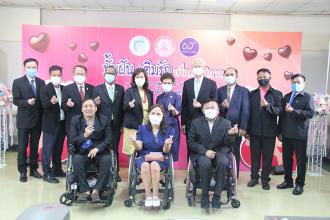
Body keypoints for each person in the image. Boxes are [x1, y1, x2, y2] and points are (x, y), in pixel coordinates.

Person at [187, 100, 238, 209]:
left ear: (218, 111)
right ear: (203, 110)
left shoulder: (226, 123)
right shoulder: (195, 122)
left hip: (220, 152)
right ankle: (205, 196)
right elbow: (191, 141)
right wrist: (205, 151)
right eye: (207, 108)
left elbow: (228, 144)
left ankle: (217, 196)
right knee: (205, 163)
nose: (210, 110)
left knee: (223, 161)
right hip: (202, 153)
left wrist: (230, 135)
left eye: (213, 108)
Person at [277, 74, 315, 195]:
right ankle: (288, 181)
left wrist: (294, 111)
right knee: (286, 160)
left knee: (300, 161)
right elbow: (282, 115)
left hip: (300, 135)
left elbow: (310, 113)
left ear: (303, 83)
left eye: (298, 82)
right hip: (286, 134)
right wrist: (279, 131)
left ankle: (299, 184)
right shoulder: (287, 96)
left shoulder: (308, 97)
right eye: (293, 82)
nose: (295, 84)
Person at [130, 104, 174, 208]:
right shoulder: (142, 128)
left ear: (163, 116)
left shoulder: (169, 130)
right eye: (153, 113)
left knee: (154, 165)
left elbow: (165, 150)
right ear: (149, 115)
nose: (155, 115)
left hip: (161, 157)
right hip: (144, 156)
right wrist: (134, 142)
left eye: (158, 113)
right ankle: (148, 196)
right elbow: (139, 147)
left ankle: (156, 195)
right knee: (145, 165)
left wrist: (167, 143)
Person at [70, 99, 112, 203]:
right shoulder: (76, 120)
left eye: (91, 106)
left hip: (99, 152)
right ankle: (85, 191)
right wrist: (84, 135)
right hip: (82, 152)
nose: (88, 108)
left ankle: (96, 191)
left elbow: (109, 138)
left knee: (107, 159)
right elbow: (73, 140)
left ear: (96, 108)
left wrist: (98, 148)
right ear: (82, 109)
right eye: (86, 106)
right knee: (76, 159)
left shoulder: (104, 119)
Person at [247, 68, 283, 190]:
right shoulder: (252, 94)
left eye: (265, 77)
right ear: (257, 78)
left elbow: (279, 111)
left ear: (270, 77)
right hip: (254, 131)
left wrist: (267, 106)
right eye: (260, 77)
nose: (262, 79)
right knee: (254, 156)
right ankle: (254, 178)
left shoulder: (277, 94)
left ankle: (265, 179)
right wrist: (247, 130)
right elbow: (248, 113)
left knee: (267, 157)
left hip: (270, 132)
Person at [12, 58, 45, 182]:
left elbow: (43, 99)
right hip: (24, 121)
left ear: (37, 68)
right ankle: (22, 171)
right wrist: (26, 102)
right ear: (25, 68)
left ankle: (34, 169)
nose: (32, 69)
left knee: (35, 146)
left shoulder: (41, 82)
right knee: (22, 147)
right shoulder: (18, 82)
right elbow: (16, 100)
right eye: (29, 67)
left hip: (37, 120)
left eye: (34, 67)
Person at [217, 67, 250, 178]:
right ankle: (222, 175)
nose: (229, 76)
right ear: (224, 76)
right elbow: (216, 108)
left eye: (232, 74)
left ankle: (234, 177)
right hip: (222, 127)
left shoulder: (243, 91)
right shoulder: (220, 90)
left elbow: (246, 110)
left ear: (236, 76)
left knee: (235, 152)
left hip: (237, 126)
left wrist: (243, 127)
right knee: (222, 151)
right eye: (227, 74)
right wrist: (222, 105)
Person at [94, 65, 125, 182]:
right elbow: (92, 107)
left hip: (116, 124)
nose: (110, 75)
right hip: (102, 124)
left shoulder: (121, 89)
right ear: (104, 74)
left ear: (116, 76)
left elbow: (122, 108)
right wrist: (95, 103)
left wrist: (122, 124)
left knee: (114, 148)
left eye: (112, 73)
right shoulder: (97, 89)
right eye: (108, 73)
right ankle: (101, 172)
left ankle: (115, 172)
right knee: (101, 147)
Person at [40, 65, 66, 183]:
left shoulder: (64, 88)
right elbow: (44, 105)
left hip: (62, 124)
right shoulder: (45, 89)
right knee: (47, 149)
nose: (56, 77)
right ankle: (47, 173)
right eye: (54, 75)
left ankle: (57, 169)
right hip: (50, 125)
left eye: (58, 75)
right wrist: (51, 101)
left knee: (58, 149)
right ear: (50, 76)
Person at [122, 68, 153, 158]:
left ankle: (141, 169)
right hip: (132, 125)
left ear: (145, 79)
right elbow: (124, 107)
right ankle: (131, 171)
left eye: (142, 77)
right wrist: (129, 105)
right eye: (137, 77)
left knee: (144, 150)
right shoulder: (129, 91)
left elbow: (152, 108)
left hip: (146, 125)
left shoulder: (149, 92)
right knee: (131, 150)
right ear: (134, 79)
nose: (140, 79)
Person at [61, 65, 94, 136]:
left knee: (88, 146)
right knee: (72, 146)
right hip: (72, 125)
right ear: (73, 74)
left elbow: (94, 107)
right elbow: (63, 106)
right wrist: (67, 105)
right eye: (77, 74)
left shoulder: (92, 88)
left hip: (88, 125)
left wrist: (97, 104)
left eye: (82, 74)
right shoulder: (67, 88)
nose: (80, 76)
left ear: (86, 75)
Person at [156, 72, 181, 161]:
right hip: (160, 125)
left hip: (172, 126)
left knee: (172, 147)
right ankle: (162, 168)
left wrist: (173, 109)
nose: (166, 85)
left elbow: (177, 113)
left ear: (172, 84)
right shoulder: (159, 97)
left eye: (169, 83)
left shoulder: (176, 97)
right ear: (161, 83)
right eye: (164, 83)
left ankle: (171, 170)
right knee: (161, 147)